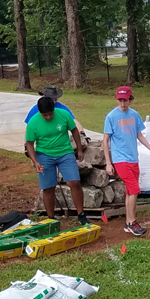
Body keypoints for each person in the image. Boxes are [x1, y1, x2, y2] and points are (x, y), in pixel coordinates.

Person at [103, 86, 150, 237]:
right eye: (120, 100)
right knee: (135, 189)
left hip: (133, 159)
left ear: (130, 99)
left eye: (125, 100)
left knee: (130, 191)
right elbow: (105, 140)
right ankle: (131, 222)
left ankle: (129, 222)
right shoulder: (111, 116)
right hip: (120, 160)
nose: (123, 103)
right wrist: (109, 163)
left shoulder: (134, 115)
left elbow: (139, 135)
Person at [25, 96, 88, 225]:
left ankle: (81, 214)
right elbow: (30, 143)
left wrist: (79, 149)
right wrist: (36, 161)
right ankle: (51, 218)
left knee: (74, 182)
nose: (48, 117)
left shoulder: (64, 114)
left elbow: (74, 131)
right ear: (40, 113)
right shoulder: (33, 122)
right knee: (48, 187)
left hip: (65, 153)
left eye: (50, 114)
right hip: (44, 155)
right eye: (45, 115)